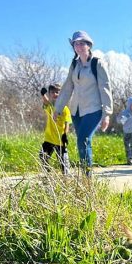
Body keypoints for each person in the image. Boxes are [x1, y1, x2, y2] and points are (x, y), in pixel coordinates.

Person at [54, 31, 113, 177]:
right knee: (82, 142)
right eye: (75, 44)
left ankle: (87, 176)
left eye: (81, 43)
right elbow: (67, 87)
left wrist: (107, 114)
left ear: (88, 45)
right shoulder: (74, 65)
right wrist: (58, 108)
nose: (78, 46)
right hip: (77, 111)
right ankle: (85, 173)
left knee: (83, 139)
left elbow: (105, 88)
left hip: (93, 109)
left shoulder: (97, 63)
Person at [39, 84, 72, 174]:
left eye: (57, 92)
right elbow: (46, 102)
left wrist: (65, 134)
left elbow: (67, 123)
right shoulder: (50, 106)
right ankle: (48, 174)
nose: (55, 94)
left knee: (63, 162)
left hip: (60, 139)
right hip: (49, 138)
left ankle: (66, 177)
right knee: (43, 156)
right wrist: (43, 94)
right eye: (52, 92)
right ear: (50, 94)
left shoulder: (65, 109)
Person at [116, 96, 132, 165]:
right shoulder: (124, 112)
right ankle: (128, 159)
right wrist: (124, 118)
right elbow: (119, 121)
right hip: (126, 132)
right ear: (129, 105)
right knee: (127, 146)